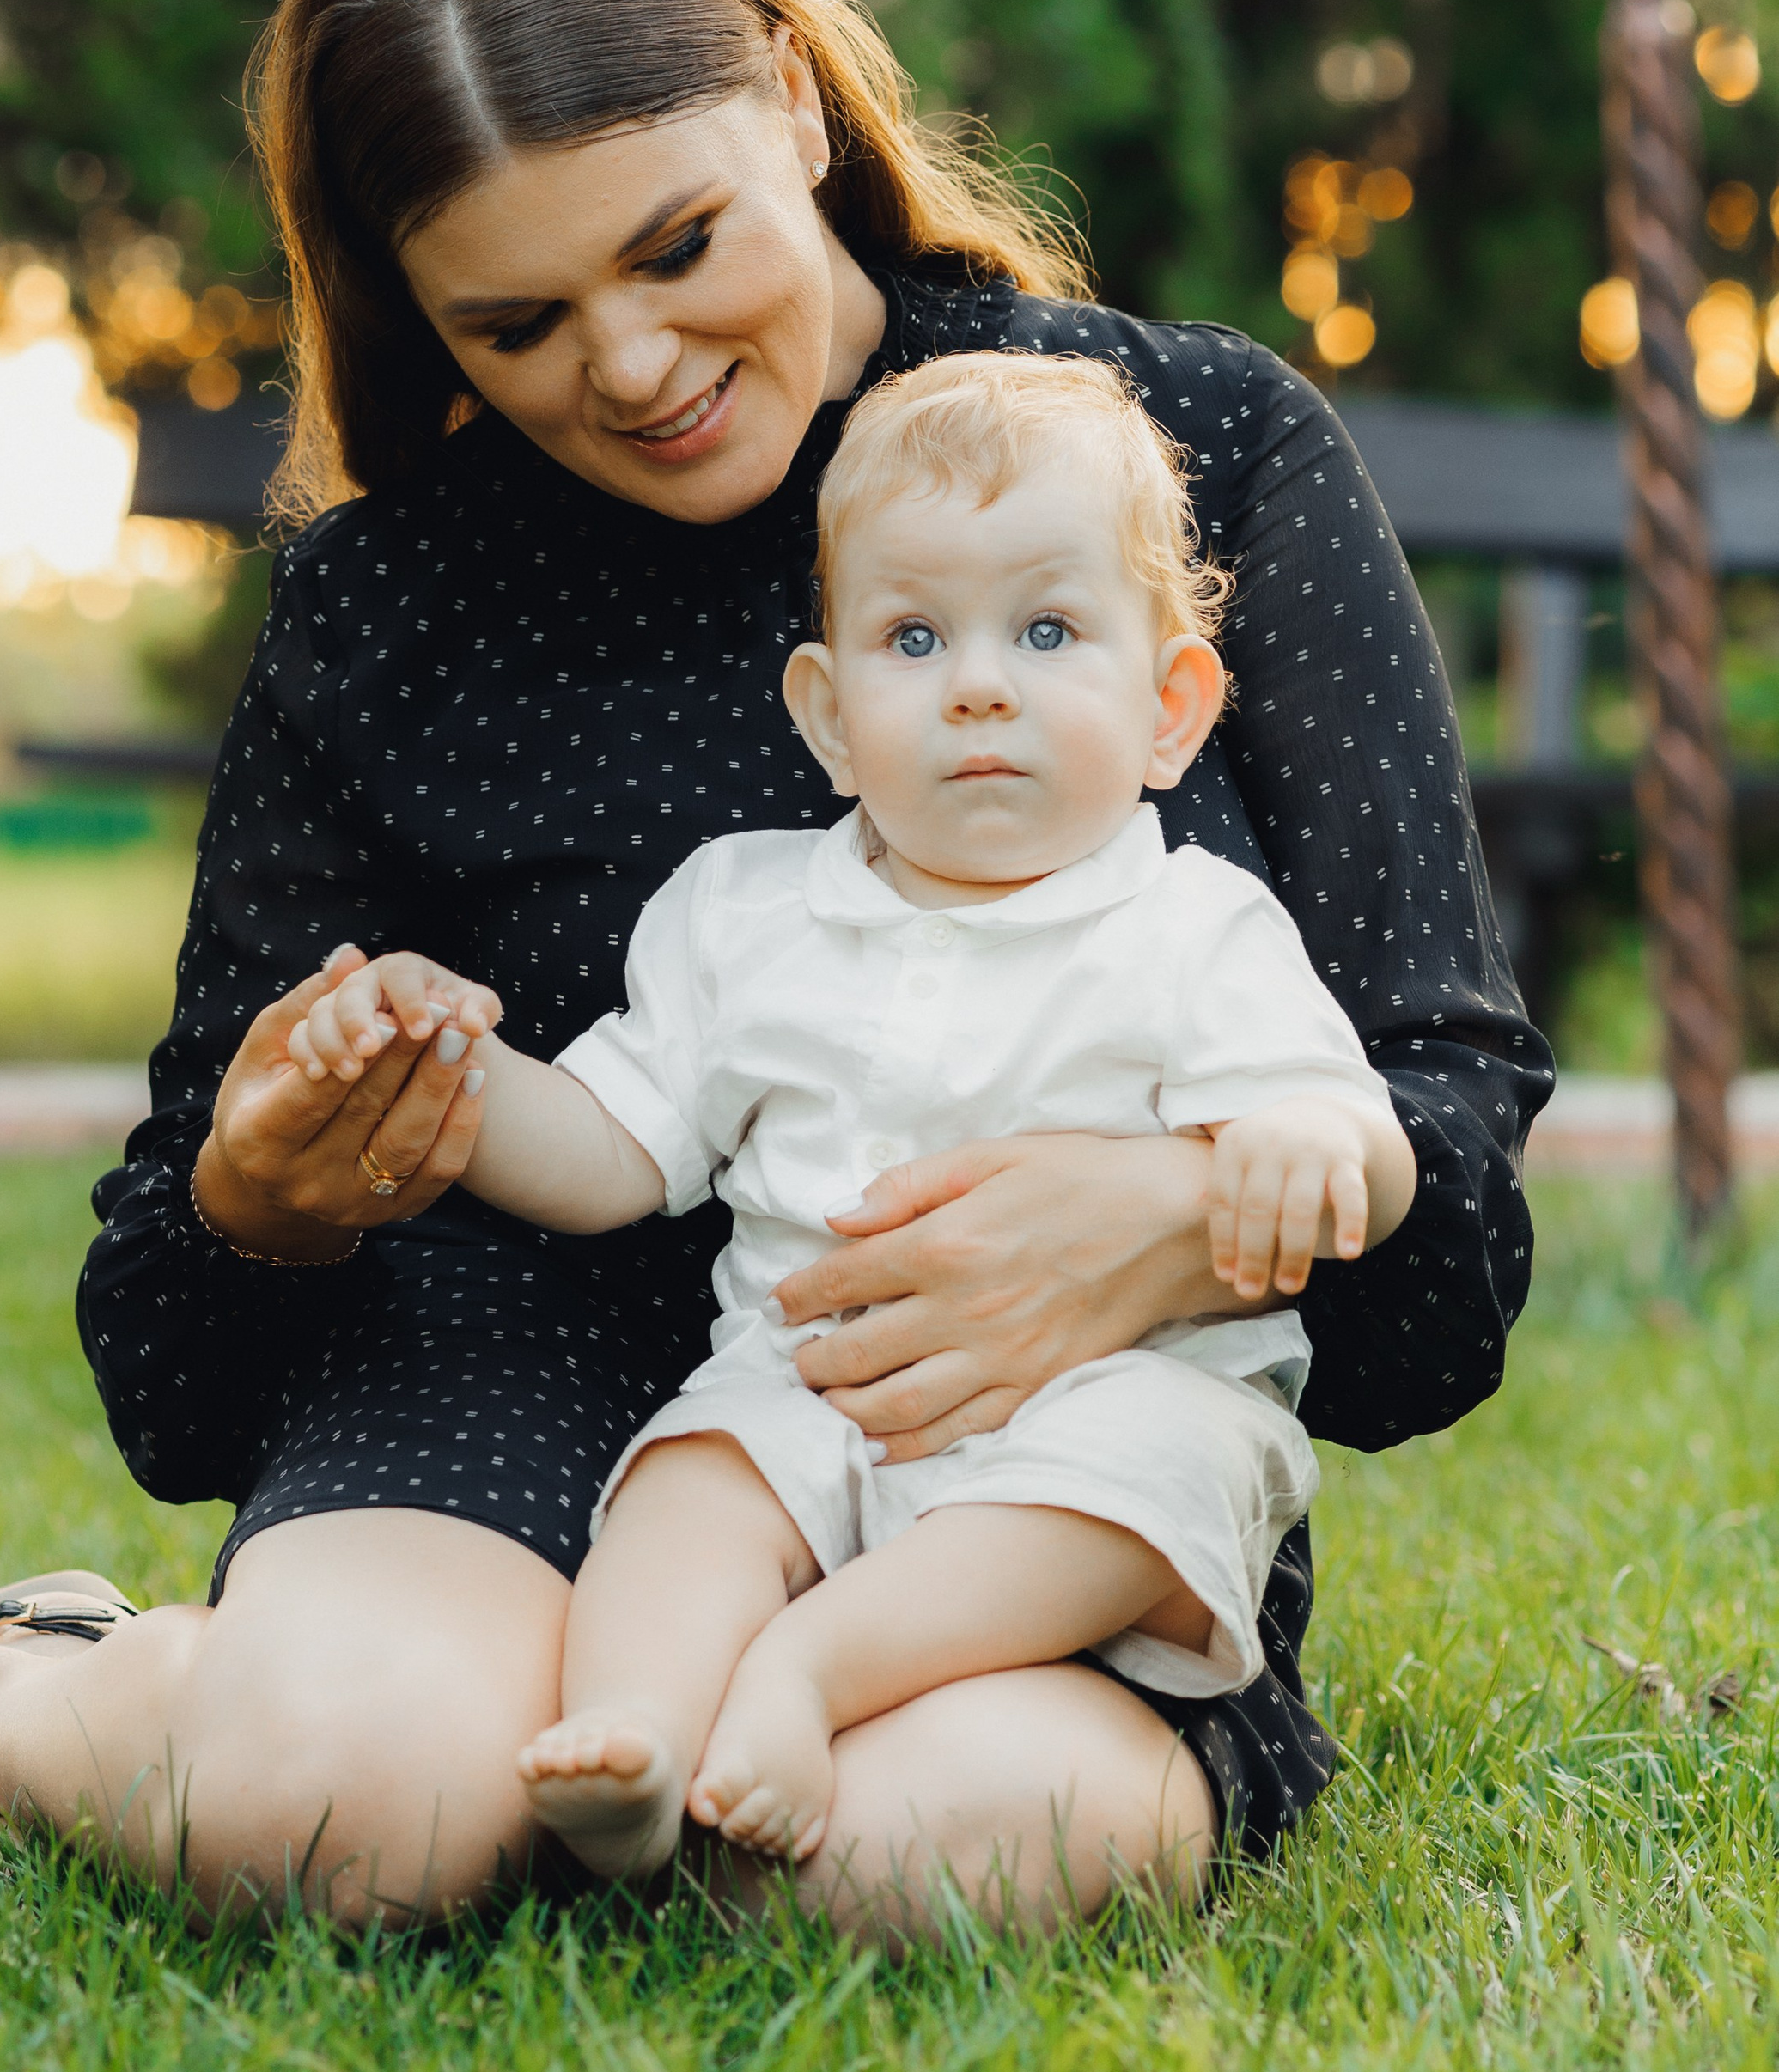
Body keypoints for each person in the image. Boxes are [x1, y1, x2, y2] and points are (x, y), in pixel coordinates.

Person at [0, 0, 1548, 1937]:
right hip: (505, 1376)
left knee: (920, 1856)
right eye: (516, 322)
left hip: (1030, 1439)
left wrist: (1166, 1226)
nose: (625, 366)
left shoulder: (1171, 457)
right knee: (347, 1823)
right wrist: (268, 1187)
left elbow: (1442, 1193)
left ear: (791, 99)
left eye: (677, 245)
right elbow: (170, 1359)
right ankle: (23, 1697)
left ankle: (527, 1757)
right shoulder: (393, 607)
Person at [280, 350, 1415, 1880]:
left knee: (1141, 1480)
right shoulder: (745, 913)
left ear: (1171, 710)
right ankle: (630, 1736)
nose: (980, 683)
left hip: (1108, 1405)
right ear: (827, 715)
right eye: (914, 636)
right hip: (816, 1381)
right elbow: (615, 1151)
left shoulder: (1192, 926)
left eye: (1049, 630)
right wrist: (459, 1084)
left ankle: (806, 1674)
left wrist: (1311, 1145)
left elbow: (1362, 1141)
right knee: (691, 1486)